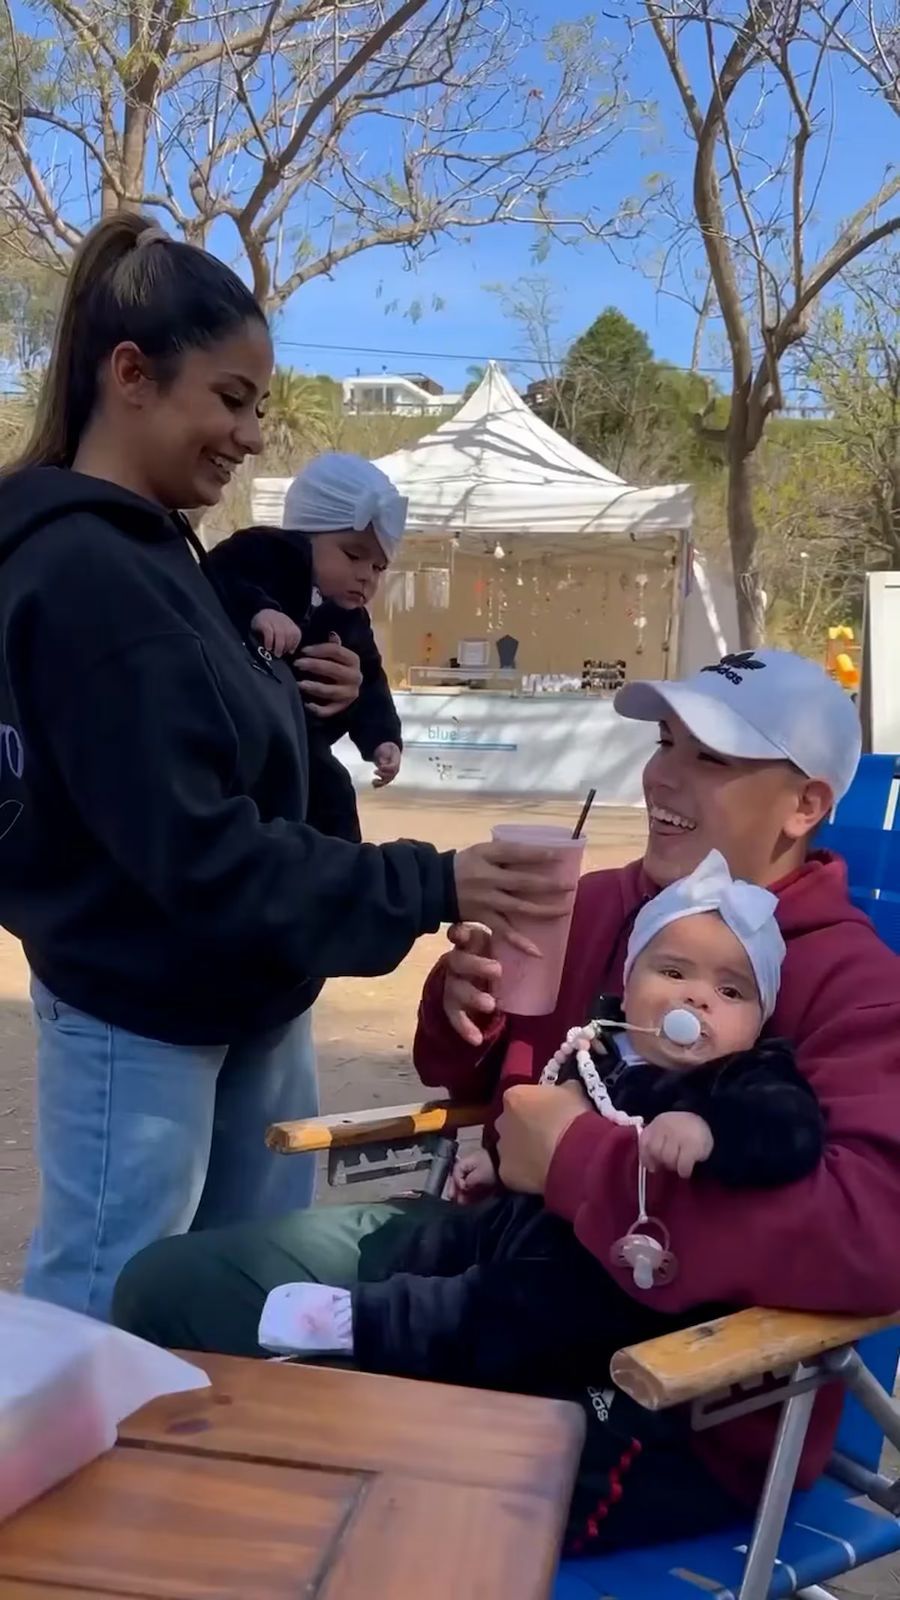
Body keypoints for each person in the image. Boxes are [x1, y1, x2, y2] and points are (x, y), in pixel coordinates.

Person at [112, 647, 900, 1556]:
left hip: (661, 1384)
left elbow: (870, 1236)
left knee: (335, 1498)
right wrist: (463, 1017)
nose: (660, 776)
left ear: (804, 806)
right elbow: (486, 1090)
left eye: (710, 758)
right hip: (485, 1252)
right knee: (167, 1291)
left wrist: (574, 1162)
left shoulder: (856, 985)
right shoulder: (598, 902)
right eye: (663, 741)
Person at [0, 212, 569, 1321]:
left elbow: (207, 760)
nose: (254, 436)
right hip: (145, 1008)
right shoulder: (85, 579)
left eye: (256, 406)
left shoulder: (160, 554)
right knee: (104, 1307)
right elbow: (200, 850)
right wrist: (431, 882)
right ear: (131, 375)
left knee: (237, 1297)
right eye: (231, 397)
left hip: (242, 990)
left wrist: (311, 712)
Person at [253, 849, 824, 1534]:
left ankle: (372, 1324)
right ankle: (369, 1359)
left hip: (620, 1311)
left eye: (732, 992)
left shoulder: (743, 1079)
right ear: (632, 981)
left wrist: (710, 1132)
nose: (698, 998)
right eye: (673, 972)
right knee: (453, 1240)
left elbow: (790, 1130)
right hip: (536, 1230)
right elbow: (534, 1127)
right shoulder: (601, 1050)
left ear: (759, 1022)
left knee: (517, 1307)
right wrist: (502, 1166)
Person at [206, 452, 406, 845]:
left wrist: (382, 738)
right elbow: (219, 575)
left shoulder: (351, 618)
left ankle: (343, 876)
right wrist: (259, 609)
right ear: (304, 538)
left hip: (304, 740)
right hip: (242, 729)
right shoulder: (264, 553)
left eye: (379, 568)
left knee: (334, 792)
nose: (366, 576)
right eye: (353, 555)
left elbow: (370, 682)